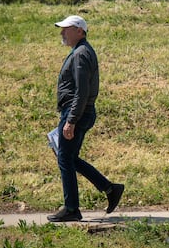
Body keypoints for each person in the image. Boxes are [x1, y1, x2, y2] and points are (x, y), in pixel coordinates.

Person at [48, 15, 124, 222]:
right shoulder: (81, 51)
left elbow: (82, 91)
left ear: (79, 31)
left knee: (65, 158)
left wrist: (71, 120)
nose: (62, 33)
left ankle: (72, 208)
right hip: (79, 111)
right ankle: (110, 188)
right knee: (69, 158)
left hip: (76, 112)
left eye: (66, 29)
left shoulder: (81, 54)